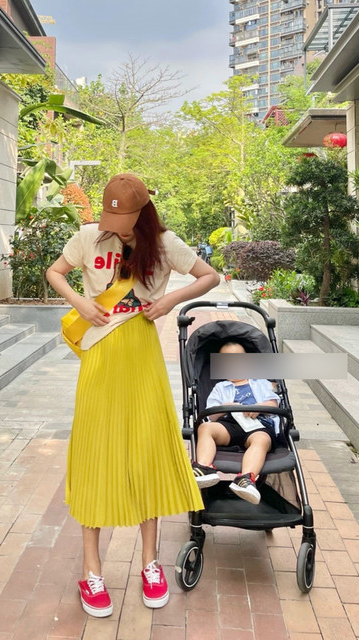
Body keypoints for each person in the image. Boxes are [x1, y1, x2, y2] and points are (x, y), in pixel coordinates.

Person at [46, 173, 220, 618]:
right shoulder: (88, 237)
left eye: (122, 220)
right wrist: (80, 303)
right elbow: (55, 272)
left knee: (146, 454)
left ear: (142, 213)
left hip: (143, 359)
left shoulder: (163, 243)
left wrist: (170, 301)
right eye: (111, 219)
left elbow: (210, 276)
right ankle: (91, 569)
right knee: (95, 455)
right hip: (100, 357)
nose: (115, 228)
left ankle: (150, 564)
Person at [191, 341, 281, 505]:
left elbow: (274, 405)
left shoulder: (261, 383)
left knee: (261, 440)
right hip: (229, 424)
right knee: (205, 428)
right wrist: (224, 407)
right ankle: (203, 467)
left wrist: (258, 407)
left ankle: (246, 479)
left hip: (258, 425)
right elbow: (210, 416)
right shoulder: (220, 387)